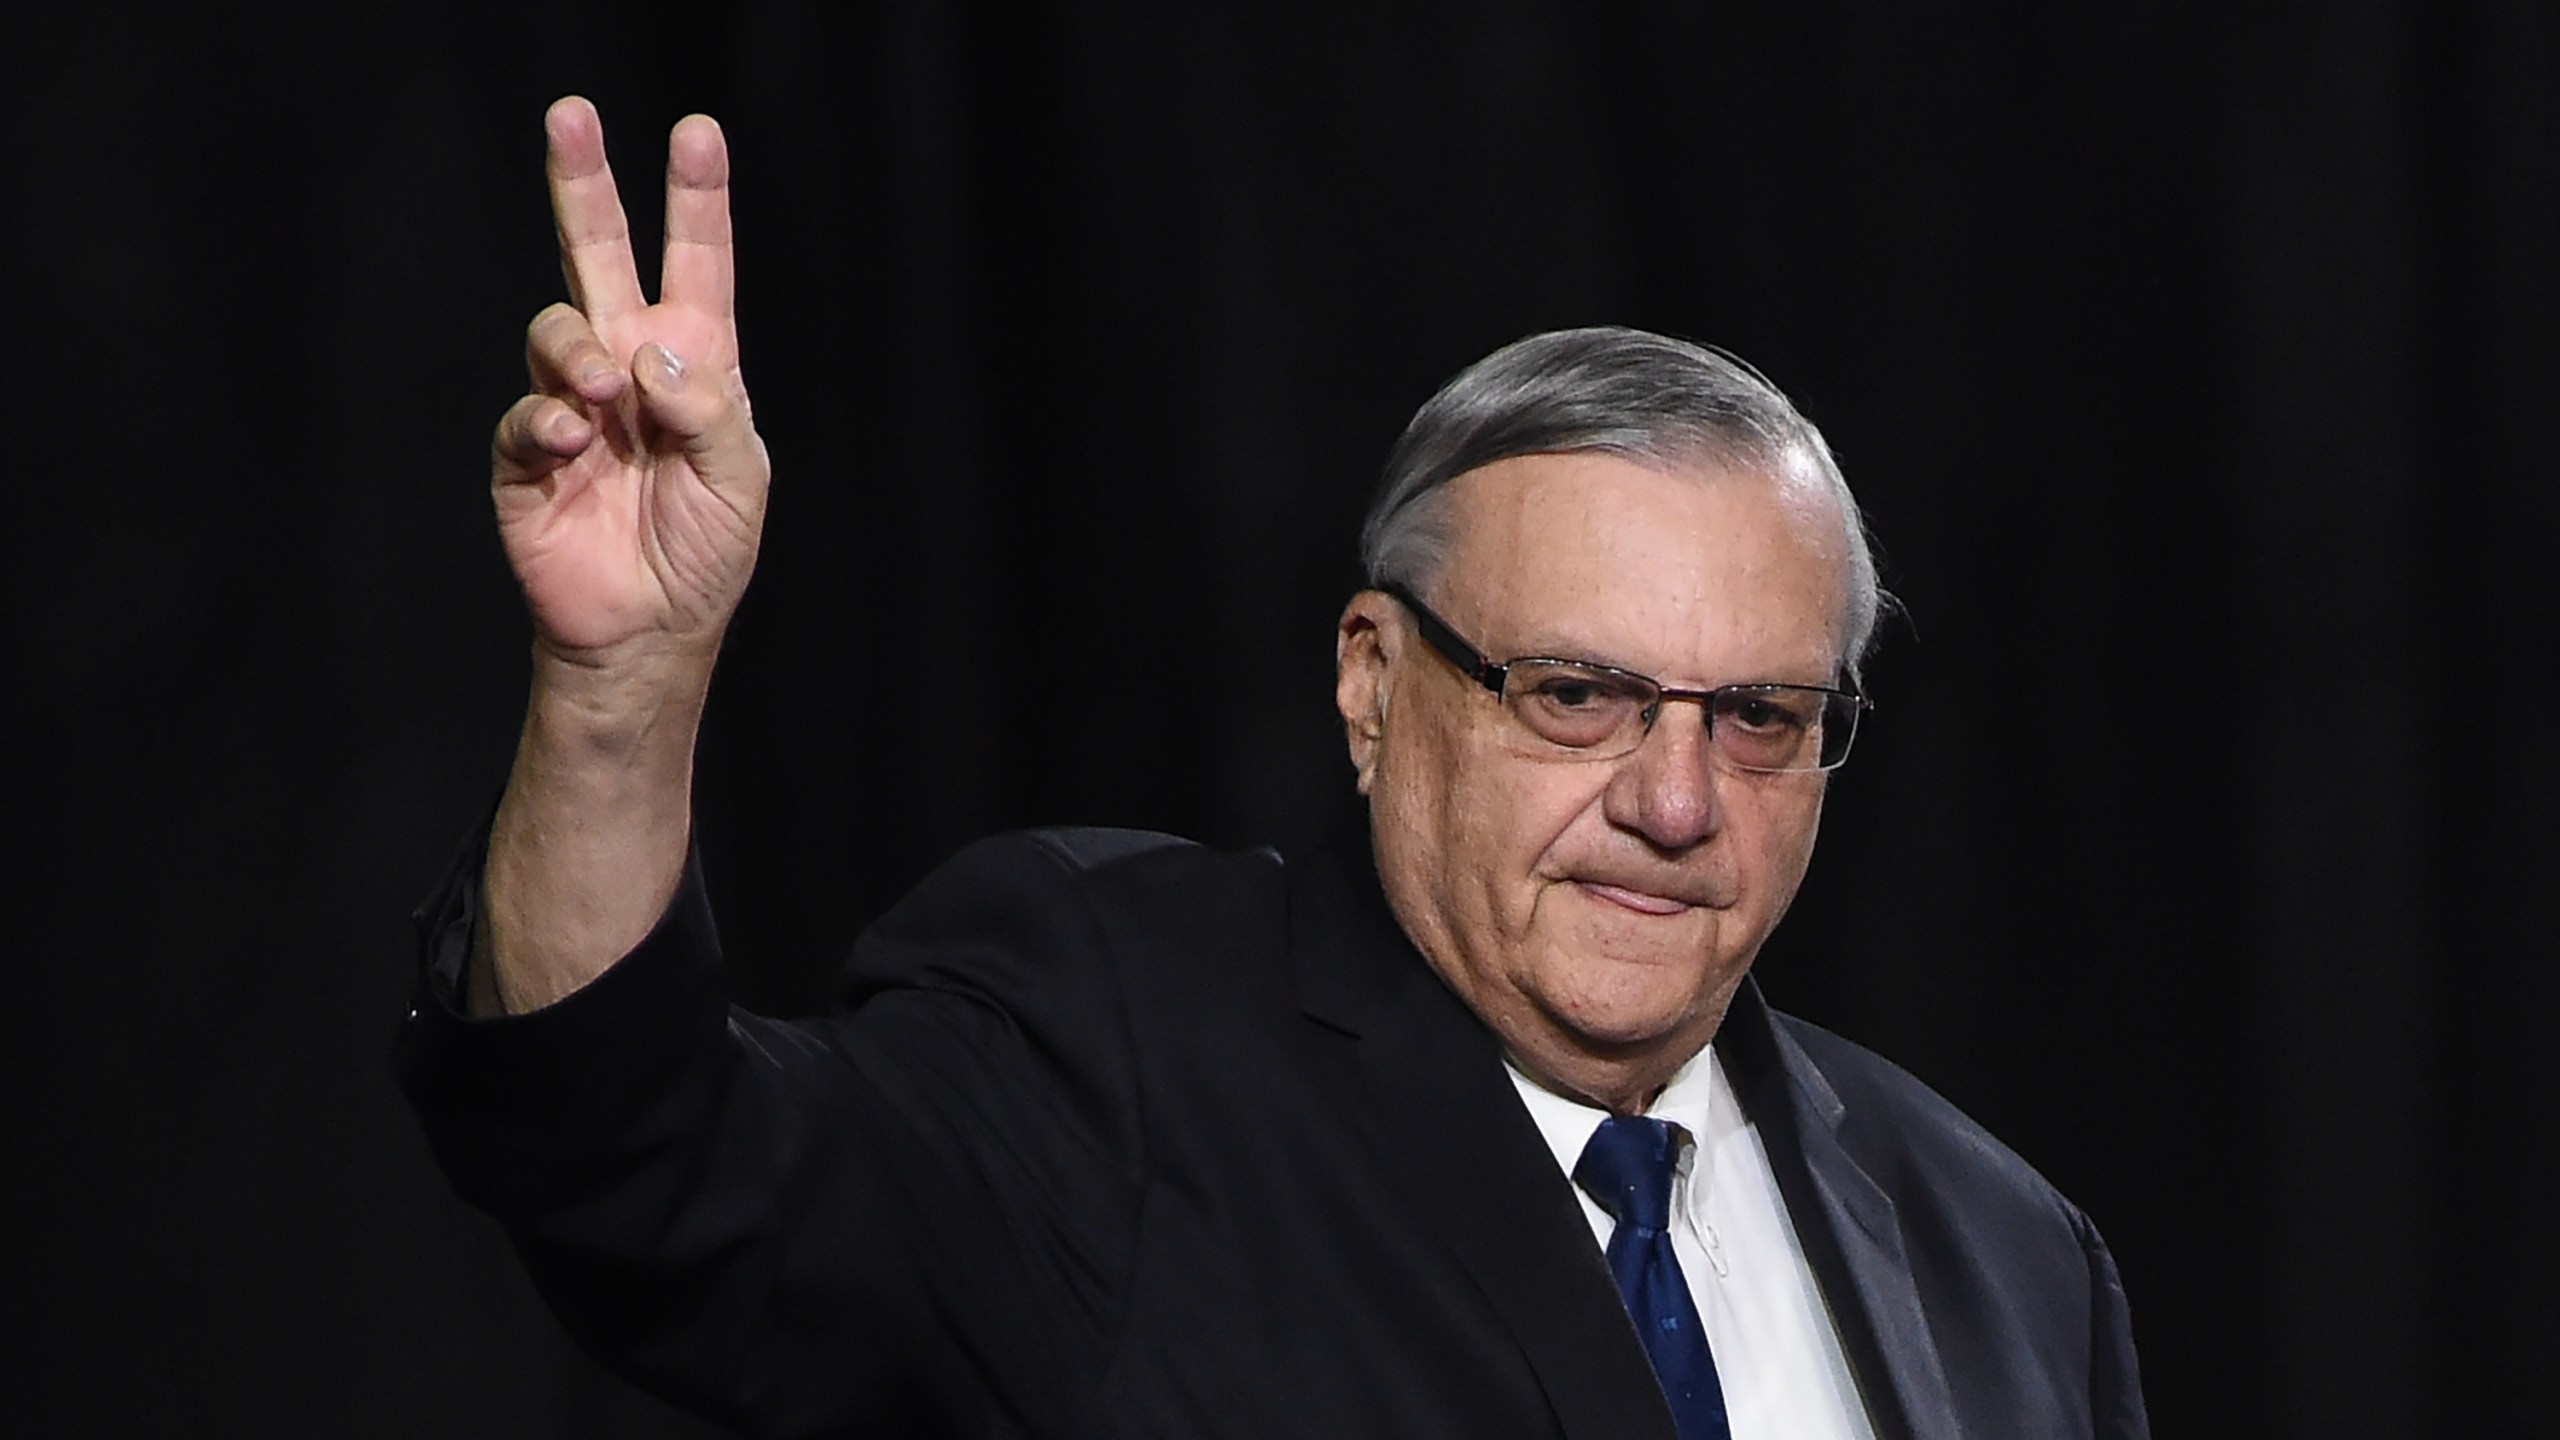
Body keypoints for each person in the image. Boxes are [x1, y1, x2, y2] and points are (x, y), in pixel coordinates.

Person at [399, 97, 2150, 1440]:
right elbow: (639, 1163)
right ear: (1376, 685)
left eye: (1758, 718)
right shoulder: (1120, 1043)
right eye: (1574, 696)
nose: (1677, 802)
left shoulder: (1999, 1252)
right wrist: (620, 691)